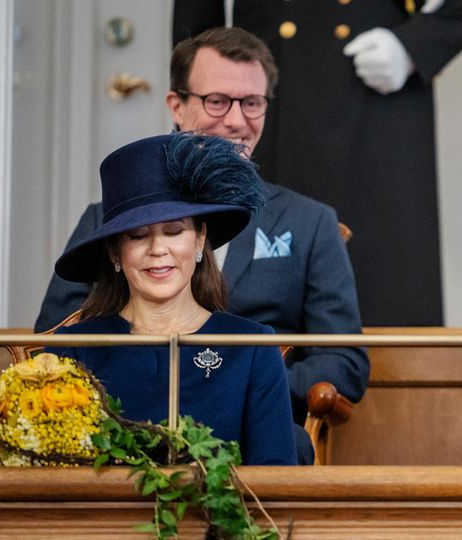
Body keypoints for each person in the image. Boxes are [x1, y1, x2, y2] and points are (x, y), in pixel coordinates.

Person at [35, 28, 370, 461]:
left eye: (251, 103)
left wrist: (244, 377)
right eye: (217, 101)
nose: (235, 120)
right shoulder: (107, 219)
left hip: (255, 423)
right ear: (176, 105)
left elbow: (344, 360)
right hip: (120, 422)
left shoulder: (310, 221)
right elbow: (52, 338)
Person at [172, 0, 462, 326]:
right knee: (251, 298)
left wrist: (416, 44)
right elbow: (197, 14)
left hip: (375, 98)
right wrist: (198, 103)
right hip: (275, 95)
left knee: (385, 293)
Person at [47, 133, 297, 465]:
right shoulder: (73, 349)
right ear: (115, 253)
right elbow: (56, 487)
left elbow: (276, 482)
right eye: (138, 236)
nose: (158, 249)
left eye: (174, 231)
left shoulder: (252, 348)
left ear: (199, 240)